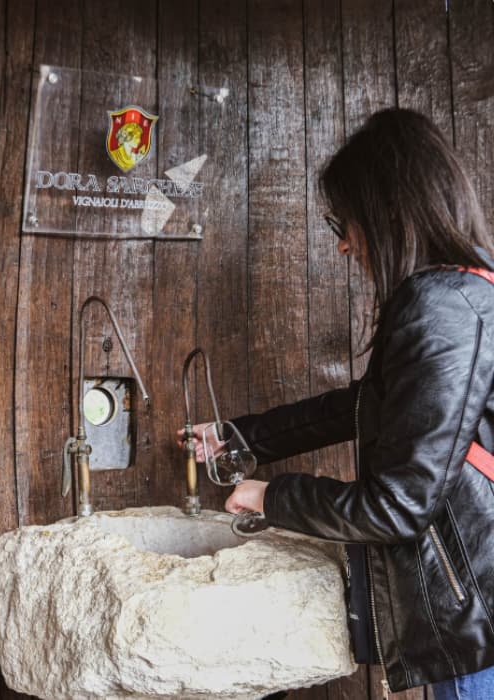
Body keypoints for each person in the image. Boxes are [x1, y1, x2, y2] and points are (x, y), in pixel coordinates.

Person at [184, 108, 494, 699]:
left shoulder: (442, 307)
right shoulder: (469, 289)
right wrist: (243, 439)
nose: (345, 243)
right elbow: (374, 405)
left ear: (387, 210)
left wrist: (272, 497)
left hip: (477, 614)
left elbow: (398, 506)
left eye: (342, 220)